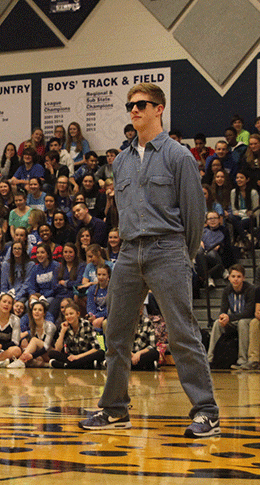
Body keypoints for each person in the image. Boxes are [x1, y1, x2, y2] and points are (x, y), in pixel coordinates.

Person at [79, 83, 220, 438]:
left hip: (168, 249)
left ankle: (206, 412)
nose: (134, 110)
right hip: (128, 252)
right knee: (115, 333)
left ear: (159, 109)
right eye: (130, 106)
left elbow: (194, 214)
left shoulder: (179, 156)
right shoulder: (122, 160)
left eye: (141, 104)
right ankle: (114, 409)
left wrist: (180, 256)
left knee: (182, 334)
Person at [208, 264, 255, 370]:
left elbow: (248, 312)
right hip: (233, 321)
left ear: (243, 278)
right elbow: (223, 310)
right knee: (217, 323)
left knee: (242, 322)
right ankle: (210, 359)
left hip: (248, 321)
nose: (236, 279)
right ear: (229, 278)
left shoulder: (250, 289)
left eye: (238, 277)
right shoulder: (227, 290)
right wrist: (223, 317)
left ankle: (242, 360)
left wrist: (229, 317)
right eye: (233, 276)